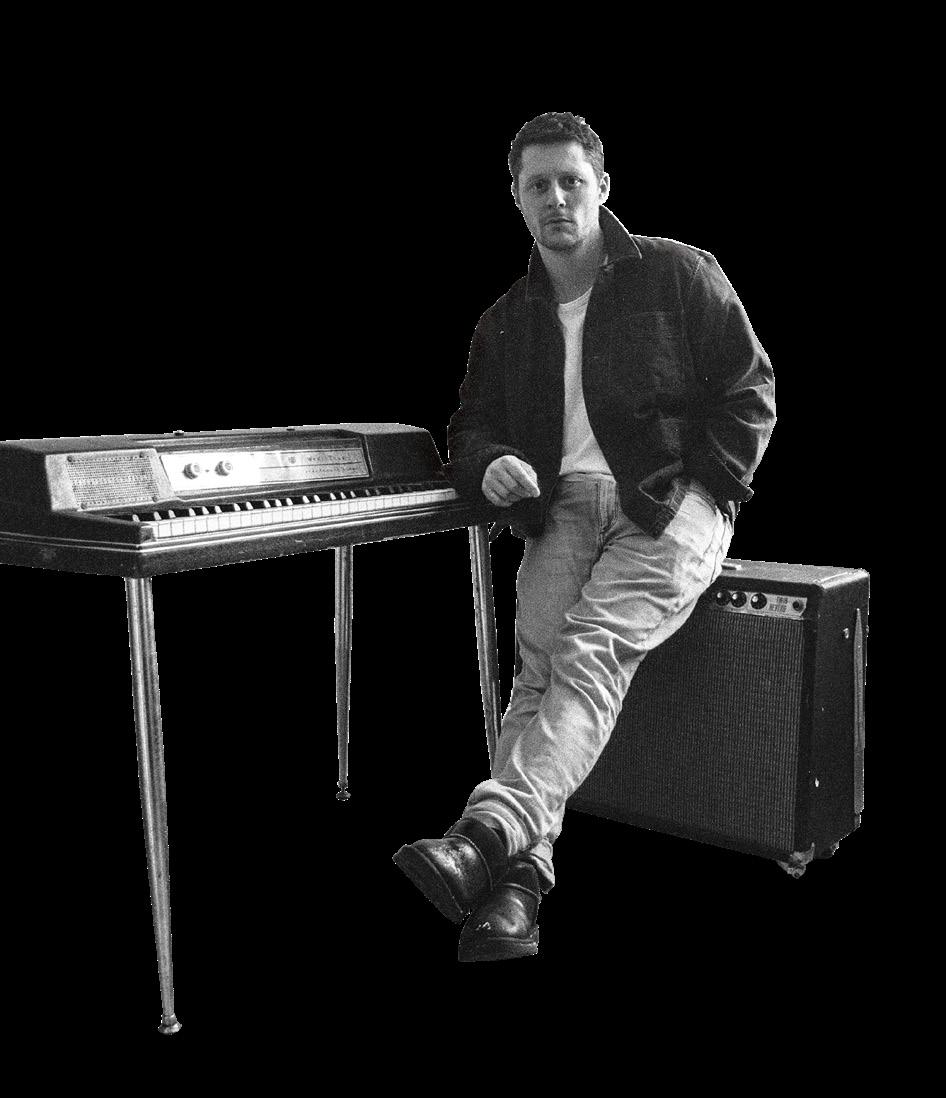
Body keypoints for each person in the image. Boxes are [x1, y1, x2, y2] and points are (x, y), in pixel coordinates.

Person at [393, 112, 776, 961]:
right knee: (536, 674)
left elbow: (751, 390)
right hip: (561, 508)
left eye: (572, 180)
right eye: (539, 185)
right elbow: (471, 424)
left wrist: (707, 492)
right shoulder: (505, 319)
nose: (557, 198)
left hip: (666, 505)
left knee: (590, 650)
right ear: (516, 199)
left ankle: (484, 836)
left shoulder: (679, 272)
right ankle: (517, 889)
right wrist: (490, 462)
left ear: (602, 187)